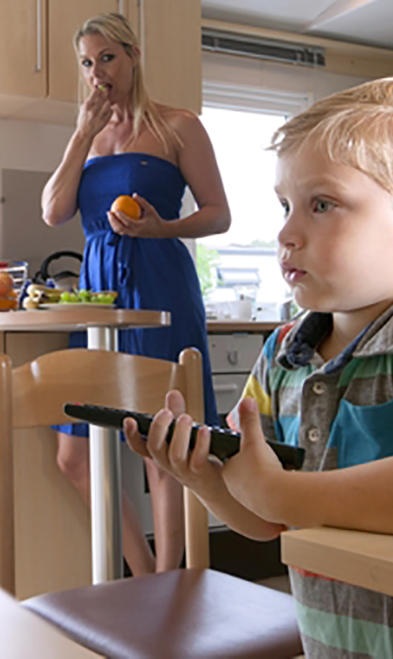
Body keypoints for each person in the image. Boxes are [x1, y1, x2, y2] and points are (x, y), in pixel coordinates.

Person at [125, 77, 393, 658]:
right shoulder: (281, 355)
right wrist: (209, 482)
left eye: (323, 205)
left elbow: (279, 500)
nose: (286, 233)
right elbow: (264, 522)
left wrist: (281, 492)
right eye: (285, 206)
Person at [41, 12, 230, 576]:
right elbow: (53, 211)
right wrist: (80, 132)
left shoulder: (179, 125)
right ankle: (146, 578)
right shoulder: (89, 136)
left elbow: (218, 214)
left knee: (163, 444)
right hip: (99, 296)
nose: (97, 72)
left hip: (160, 282)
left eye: (107, 58)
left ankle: (170, 588)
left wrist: (161, 228)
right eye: (87, 62)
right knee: (73, 453)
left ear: (133, 56)